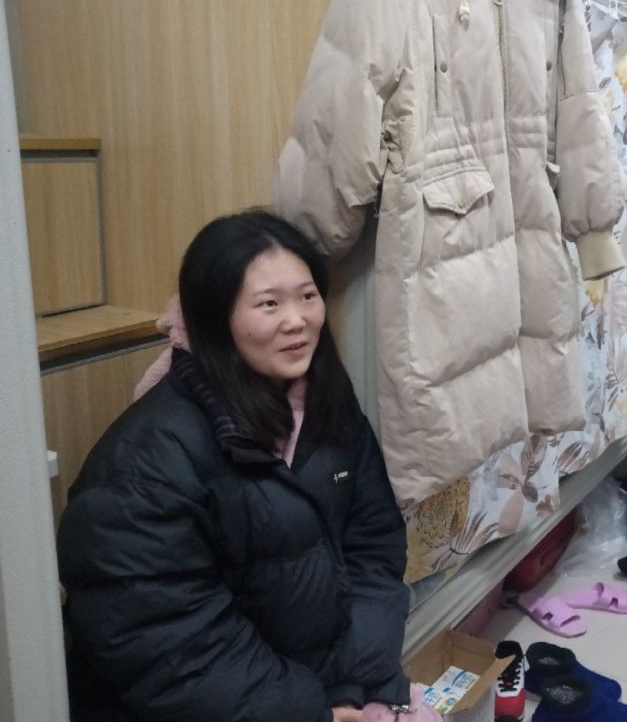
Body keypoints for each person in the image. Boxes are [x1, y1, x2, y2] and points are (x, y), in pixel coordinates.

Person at [57, 210, 437, 722]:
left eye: (307, 296)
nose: (297, 319)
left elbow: (373, 550)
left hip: (325, 689)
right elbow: (173, 648)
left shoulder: (327, 406)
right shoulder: (145, 464)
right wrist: (312, 712)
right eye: (269, 303)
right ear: (215, 319)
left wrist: (354, 687)